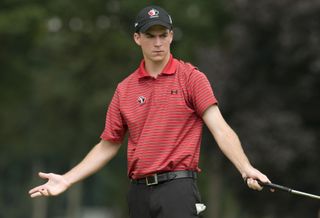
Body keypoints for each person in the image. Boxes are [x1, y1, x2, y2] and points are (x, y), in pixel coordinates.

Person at [29, 5, 271, 218]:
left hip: (178, 189)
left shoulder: (191, 78)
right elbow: (108, 145)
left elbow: (220, 129)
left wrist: (245, 168)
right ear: (137, 38)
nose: (157, 42)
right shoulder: (125, 89)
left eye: (163, 35)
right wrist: (67, 179)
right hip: (139, 193)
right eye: (150, 35)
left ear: (171, 36)